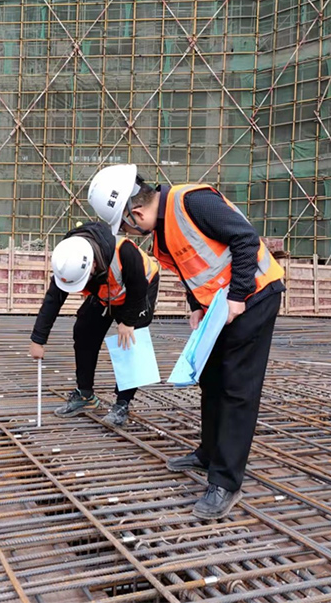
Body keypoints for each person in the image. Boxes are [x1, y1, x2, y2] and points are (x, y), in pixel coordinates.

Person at [88, 164, 285, 518]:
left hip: (254, 296)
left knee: (237, 387)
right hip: (219, 307)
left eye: (129, 228)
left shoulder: (190, 202)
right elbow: (194, 270)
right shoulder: (164, 231)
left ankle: (226, 481)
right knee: (210, 378)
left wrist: (238, 296)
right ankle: (208, 453)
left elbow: (244, 238)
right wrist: (196, 306)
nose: (134, 235)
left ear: (136, 213)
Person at [29, 221, 159, 427]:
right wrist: (38, 339)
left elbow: (138, 287)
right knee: (84, 331)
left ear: (93, 265)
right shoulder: (70, 258)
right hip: (105, 292)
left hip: (140, 288)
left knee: (130, 342)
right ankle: (85, 394)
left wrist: (128, 321)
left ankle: (122, 403)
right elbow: (53, 300)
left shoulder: (124, 252)